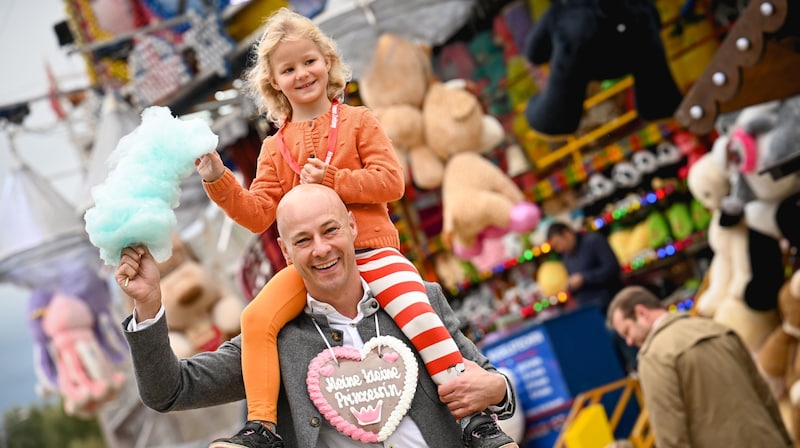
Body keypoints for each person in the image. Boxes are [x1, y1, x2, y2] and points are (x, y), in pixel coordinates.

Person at [193, 8, 507, 448]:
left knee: (418, 310)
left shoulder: (359, 121)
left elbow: (391, 182)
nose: (302, 74)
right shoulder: (272, 148)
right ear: (273, 82)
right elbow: (259, 212)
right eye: (288, 68)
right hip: (311, 270)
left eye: (309, 61)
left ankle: (476, 420)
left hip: (373, 252)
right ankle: (262, 428)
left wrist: (333, 181)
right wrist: (217, 178)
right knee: (255, 317)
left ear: (328, 61)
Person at [116, 184, 518, 447]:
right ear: (286, 252)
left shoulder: (416, 299)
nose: (321, 249)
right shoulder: (275, 340)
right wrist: (149, 305)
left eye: (330, 231)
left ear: (352, 227)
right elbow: (169, 391)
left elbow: (487, 380)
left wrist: (499, 388)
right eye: (303, 240)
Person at [606, 286, 792, 448]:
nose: (629, 342)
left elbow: (671, 434)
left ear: (641, 313)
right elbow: (765, 395)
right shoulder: (719, 330)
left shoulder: (655, 356)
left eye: (627, 331)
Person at [546, 222, 622, 311]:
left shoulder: (593, 241)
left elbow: (612, 268)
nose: (559, 249)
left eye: (558, 243)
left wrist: (584, 278)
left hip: (613, 302)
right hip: (588, 309)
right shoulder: (566, 258)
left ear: (567, 234)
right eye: (556, 247)